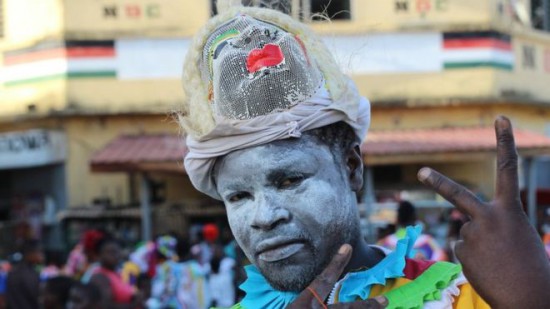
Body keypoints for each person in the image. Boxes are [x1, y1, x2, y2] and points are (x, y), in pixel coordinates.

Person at [177, 1, 550, 308]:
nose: (263, 218)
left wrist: (531, 298)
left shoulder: (463, 298)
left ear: (352, 166)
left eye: (290, 180)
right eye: (239, 195)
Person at [378, 201, 447, 261]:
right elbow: (441, 259)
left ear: (398, 219)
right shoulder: (429, 241)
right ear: (415, 218)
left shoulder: (384, 242)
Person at [89, 236, 143, 309]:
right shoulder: (100, 277)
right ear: (99, 255)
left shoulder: (118, 273)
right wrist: (133, 304)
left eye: (117, 252)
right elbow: (106, 306)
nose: (115, 256)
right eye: (110, 252)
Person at [6, 239, 43, 309]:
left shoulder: (12, 272)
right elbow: (35, 298)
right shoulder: (30, 274)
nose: (41, 256)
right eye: (38, 252)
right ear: (29, 254)